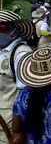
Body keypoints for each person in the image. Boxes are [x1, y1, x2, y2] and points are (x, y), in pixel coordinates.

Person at [0, 10, 36, 143]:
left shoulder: (21, 54)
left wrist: (19, 131)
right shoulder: (2, 50)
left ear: (13, 30)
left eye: (1, 27)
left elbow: (26, 95)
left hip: (10, 125)